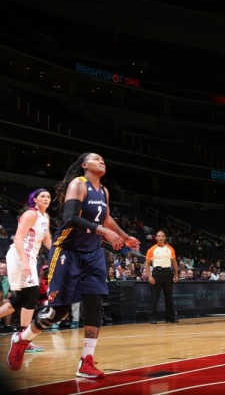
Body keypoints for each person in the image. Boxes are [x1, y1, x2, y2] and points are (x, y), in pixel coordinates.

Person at [7, 152, 140, 378]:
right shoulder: (79, 184)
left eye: (103, 159)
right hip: (66, 250)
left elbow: (105, 218)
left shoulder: (104, 191)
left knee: (95, 303)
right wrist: (102, 231)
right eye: (96, 158)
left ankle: (86, 361)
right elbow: (70, 218)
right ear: (84, 165)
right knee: (59, 311)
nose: (101, 160)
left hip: (93, 252)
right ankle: (22, 339)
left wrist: (124, 236)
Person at [0, 189, 52, 353]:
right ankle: (24, 339)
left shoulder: (46, 217)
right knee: (31, 295)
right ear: (35, 200)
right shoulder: (31, 214)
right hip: (19, 256)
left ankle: (23, 339)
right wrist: (25, 262)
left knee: (21, 299)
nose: (46, 198)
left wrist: (61, 253)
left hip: (30, 258)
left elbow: (48, 242)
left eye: (48, 197)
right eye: (42, 196)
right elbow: (17, 237)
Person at [143, 230, 179, 324]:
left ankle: (170, 318)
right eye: (159, 236)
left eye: (162, 236)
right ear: (156, 238)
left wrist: (176, 274)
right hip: (157, 273)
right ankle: (152, 317)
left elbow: (174, 262)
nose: (161, 237)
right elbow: (147, 264)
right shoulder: (152, 249)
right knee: (154, 296)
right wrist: (149, 276)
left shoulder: (170, 248)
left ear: (165, 238)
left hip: (168, 272)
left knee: (169, 296)